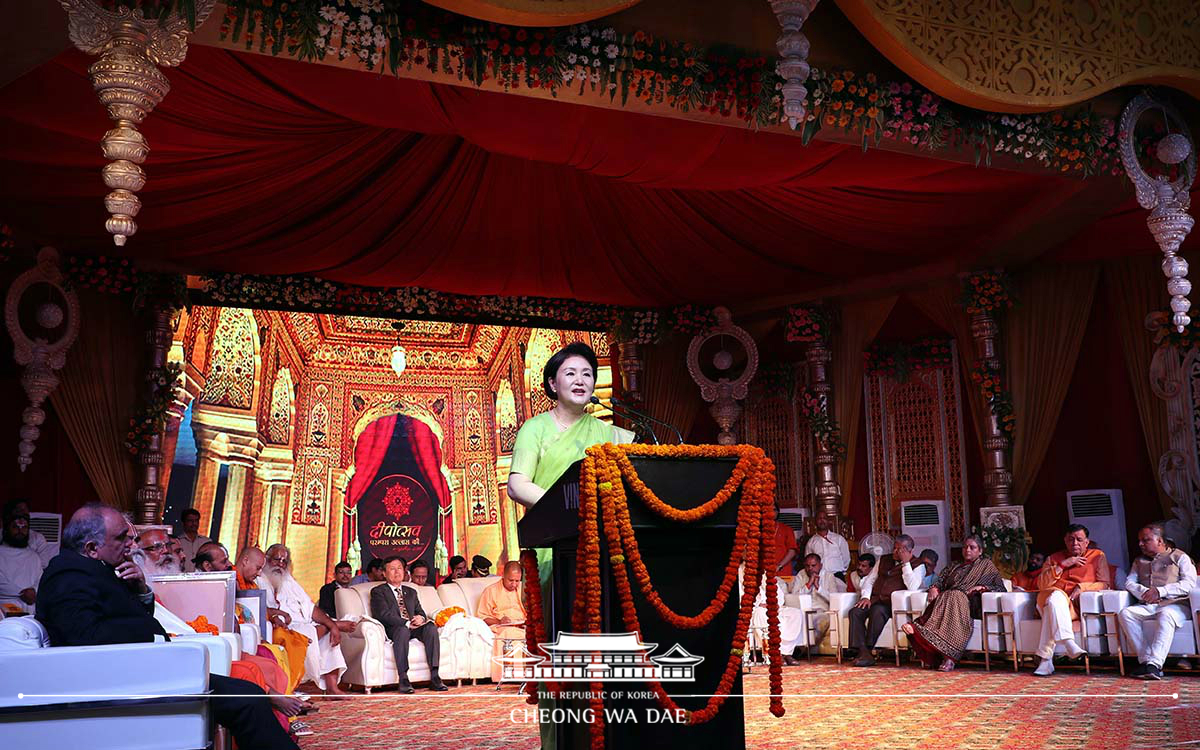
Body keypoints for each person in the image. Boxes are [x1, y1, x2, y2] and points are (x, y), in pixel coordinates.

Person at [37, 504, 299, 750]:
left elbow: (126, 616)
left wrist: (140, 591)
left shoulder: (96, 569)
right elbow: (86, 637)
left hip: (147, 666)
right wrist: (151, 637)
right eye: (121, 538)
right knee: (247, 700)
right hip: (123, 679)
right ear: (92, 547)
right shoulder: (67, 579)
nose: (130, 545)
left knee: (249, 693)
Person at [505, 342, 635, 750]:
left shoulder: (611, 433)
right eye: (571, 374)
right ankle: (561, 740)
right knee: (562, 654)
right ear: (551, 383)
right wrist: (564, 510)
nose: (581, 381)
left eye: (587, 374)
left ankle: (610, 734)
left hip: (605, 551)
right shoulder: (536, 429)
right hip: (556, 553)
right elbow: (517, 483)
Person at [901, 534, 1005, 671]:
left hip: (970, 602)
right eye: (965, 547)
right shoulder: (954, 565)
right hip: (949, 598)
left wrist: (982, 587)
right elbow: (940, 579)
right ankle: (928, 638)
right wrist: (934, 588)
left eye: (972, 547)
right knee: (949, 595)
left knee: (955, 595)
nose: (967, 550)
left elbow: (1000, 587)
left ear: (980, 551)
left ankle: (949, 657)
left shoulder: (986, 565)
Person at [258, 543, 351, 695]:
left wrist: (332, 625)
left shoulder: (288, 580)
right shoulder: (259, 579)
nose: (280, 564)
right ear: (266, 559)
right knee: (318, 630)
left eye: (284, 561)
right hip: (282, 627)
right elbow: (257, 607)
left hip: (302, 623)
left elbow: (310, 607)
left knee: (328, 631)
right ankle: (291, 688)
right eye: (276, 559)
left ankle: (332, 688)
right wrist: (275, 614)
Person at [1118, 524, 1198, 680]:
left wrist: (1161, 591)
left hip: (1176, 605)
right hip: (1149, 605)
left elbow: (1189, 584)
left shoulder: (1180, 557)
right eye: (1140, 541)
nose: (1141, 544)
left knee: (1166, 614)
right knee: (1126, 613)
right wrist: (1145, 592)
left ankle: (1154, 664)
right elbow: (1129, 582)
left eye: (1145, 540)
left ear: (1160, 540)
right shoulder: (1139, 561)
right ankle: (1147, 660)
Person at [1032, 524, 1112, 676]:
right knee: (1055, 597)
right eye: (1071, 540)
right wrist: (1063, 564)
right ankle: (1068, 643)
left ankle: (1045, 660)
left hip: (1072, 607)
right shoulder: (1054, 558)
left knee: (1052, 608)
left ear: (1087, 542)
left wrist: (1083, 587)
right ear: (1065, 541)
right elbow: (1041, 585)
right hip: (1048, 598)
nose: (1075, 543)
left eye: (1079, 540)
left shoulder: (1097, 556)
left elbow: (1105, 583)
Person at [369, 556, 447, 692]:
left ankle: (435, 676)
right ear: (384, 573)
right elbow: (383, 615)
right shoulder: (378, 591)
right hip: (395, 629)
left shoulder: (411, 591)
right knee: (402, 630)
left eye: (399, 568)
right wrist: (406, 623)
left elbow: (420, 611)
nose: (397, 572)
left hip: (413, 627)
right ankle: (403, 678)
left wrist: (421, 619)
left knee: (430, 627)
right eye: (392, 569)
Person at [847, 534, 925, 667]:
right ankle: (863, 651)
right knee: (855, 611)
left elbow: (912, 586)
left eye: (898, 550)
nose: (894, 552)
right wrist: (866, 596)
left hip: (890, 604)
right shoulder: (883, 559)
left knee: (877, 611)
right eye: (894, 548)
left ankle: (868, 649)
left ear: (908, 551)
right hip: (874, 599)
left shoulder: (918, 565)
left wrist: (906, 563)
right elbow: (870, 580)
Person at [477, 560, 527, 682]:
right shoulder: (491, 591)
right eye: (511, 580)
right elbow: (482, 616)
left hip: (522, 625)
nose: (514, 584)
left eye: (517, 581)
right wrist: (499, 621)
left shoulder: (523, 589)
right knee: (511, 634)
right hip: (502, 627)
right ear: (503, 575)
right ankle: (518, 676)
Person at [789, 553, 846, 656]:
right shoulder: (801, 575)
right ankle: (796, 648)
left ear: (821, 565)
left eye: (813, 565)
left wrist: (818, 588)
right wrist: (808, 585)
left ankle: (802, 649)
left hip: (823, 610)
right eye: (807, 566)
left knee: (818, 620)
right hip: (805, 609)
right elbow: (794, 596)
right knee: (796, 618)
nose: (810, 568)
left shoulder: (829, 576)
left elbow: (834, 598)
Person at [0, 502, 41, 615]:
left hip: (31, 606)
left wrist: (34, 591)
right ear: (7, 529)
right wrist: (21, 593)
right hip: (4, 605)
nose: (20, 531)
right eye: (15, 527)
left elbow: (40, 580)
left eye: (24, 528)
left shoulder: (34, 556)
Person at [3, 498, 54, 567]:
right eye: (18, 510)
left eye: (25, 511)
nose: (22, 513)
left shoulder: (37, 538)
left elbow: (44, 565)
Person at [176, 508, 211, 573]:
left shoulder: (206, 542)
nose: (194, 523)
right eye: (190, 521)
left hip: (202, 579)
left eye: (196, 520)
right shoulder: (177, 542)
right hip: (181, 579)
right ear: (183, 522)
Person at [773, 506, 798, 575]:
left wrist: (779, 566)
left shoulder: (787, 529)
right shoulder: (758, 530)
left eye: (774, 510)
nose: (771, 512)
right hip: (764, 572)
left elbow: (792, 551)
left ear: (777, 512)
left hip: (783, 571)